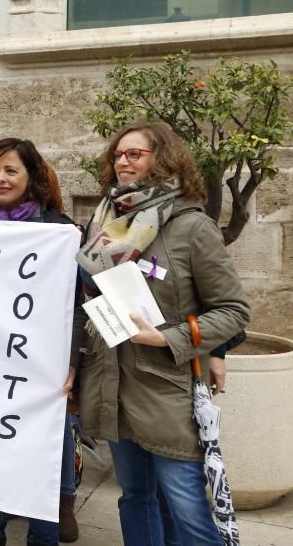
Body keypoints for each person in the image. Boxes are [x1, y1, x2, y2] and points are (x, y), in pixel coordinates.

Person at [70, 121, 249, 546]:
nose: (122, 162)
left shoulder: (191, 226)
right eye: (118, 155)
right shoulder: (102, 223)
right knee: (134, 499)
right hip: (110, 384)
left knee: (187, 512)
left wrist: (170, 337)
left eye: (135, 154)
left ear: (162, 160)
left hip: (165, 391)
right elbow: (83, 304)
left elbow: (233, 309)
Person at [0, 138, 78, 546]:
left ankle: (44, 537)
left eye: (11, 170)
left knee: (38, 466)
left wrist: (72, 364)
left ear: (32, 178)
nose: (0, 178)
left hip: (41, 373)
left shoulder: (59, 231)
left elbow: (76, 306)